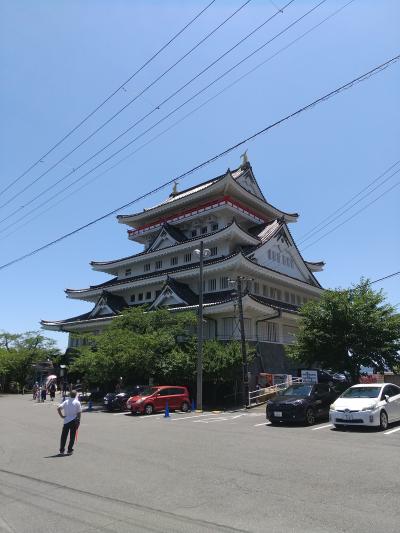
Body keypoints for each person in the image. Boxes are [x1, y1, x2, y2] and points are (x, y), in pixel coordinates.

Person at [57, 390, 82, 455]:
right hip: (74, 421)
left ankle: (62, 450)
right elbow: (79, 413)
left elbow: (58, 408)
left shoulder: (66, 401)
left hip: (66, 421)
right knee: (72, 437)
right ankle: (69, 450)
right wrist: (79, 421)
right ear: (76, 395)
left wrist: (62, 416)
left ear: (70, 395)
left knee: (64, 436)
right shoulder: (77, 402)